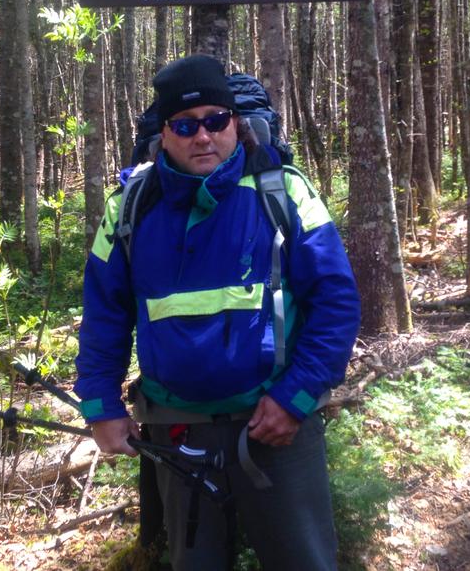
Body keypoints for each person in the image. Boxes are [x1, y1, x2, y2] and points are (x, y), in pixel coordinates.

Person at [75, 53, 361, 570]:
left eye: (215, 120)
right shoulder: (129, 207)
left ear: (235, 122)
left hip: (276, 424)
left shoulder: (283, 191)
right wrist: (101, 406)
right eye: (185, 125)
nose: (202, 136)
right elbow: (104, 316)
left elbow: (335, 303)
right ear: (164, 133)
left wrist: (296, 397)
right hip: (176, 430)